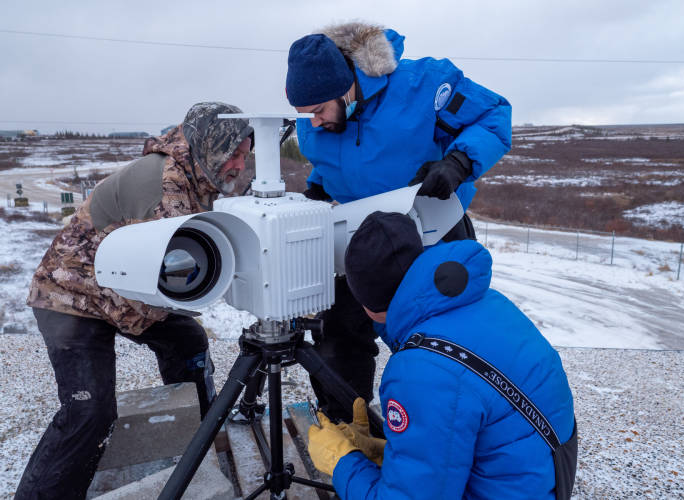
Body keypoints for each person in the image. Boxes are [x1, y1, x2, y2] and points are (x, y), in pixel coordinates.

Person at [16, 102, 253, 499]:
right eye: (235, 154)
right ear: (212, 145)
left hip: (123, 292)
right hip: (71, 297)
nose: (240, 165)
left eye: (246, 155)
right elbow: (171, 278)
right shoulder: (164, 189)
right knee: (89, 413)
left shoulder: (197, 175)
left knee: (188, 343)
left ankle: (198, 433)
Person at [285, 22, 512, 420]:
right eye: (306, 115)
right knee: (340, 333)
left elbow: (494, 114)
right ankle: (346, 424)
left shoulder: (423, 85)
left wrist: (458, 162)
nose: (313, 122)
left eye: (319, 111)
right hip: (358, 236)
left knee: (438, 334)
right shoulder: (315, 117)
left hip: (431, 230)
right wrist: (317, 192)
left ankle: (446, 425)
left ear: (346, 87)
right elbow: (329, 162)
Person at [307, 211, 577, 499]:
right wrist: (395, 450)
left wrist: (342, 463)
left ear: (366, 300)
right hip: (538, 480)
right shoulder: (486, 303)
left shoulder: (420, 373)